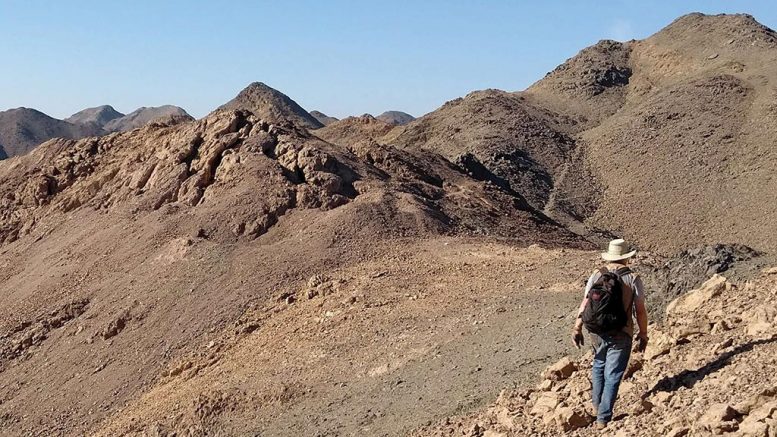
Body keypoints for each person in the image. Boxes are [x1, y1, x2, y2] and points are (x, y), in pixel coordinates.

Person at [572, 238, 649, 429]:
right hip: (621, 332)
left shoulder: (596, 275)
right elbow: (640, 310)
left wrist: (577, 326)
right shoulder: (633, 278)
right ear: (626, 258)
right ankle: (603, 418)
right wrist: (643, 333)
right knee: (613, 373)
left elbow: (586, 303)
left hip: (596, 331)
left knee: (599, 364)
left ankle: (598, 406)